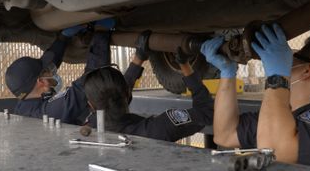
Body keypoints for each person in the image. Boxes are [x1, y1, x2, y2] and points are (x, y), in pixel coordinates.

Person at [201, 24, 310, 171]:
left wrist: (277, 77)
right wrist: (227, 73)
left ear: (306, 70)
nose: (286, 63)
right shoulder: (288, 114)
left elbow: (274, 152)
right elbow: (225, 135)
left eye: (292, 59)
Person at [83, 39, 214, 142]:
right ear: (127, 94)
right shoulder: (160, 129)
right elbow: (206, 112)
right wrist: (185, 65)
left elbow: (115, 95)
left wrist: (138, 58)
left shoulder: (90, 128)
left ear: (91, 106)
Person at [5, 19, 116, 125]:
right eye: (47, 71)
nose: (52, 71)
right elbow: (92, 78)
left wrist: (63, 38)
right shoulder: (48, 113)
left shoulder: (26, 101)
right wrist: (101, 32)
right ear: (42, 82)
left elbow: (51, 62)